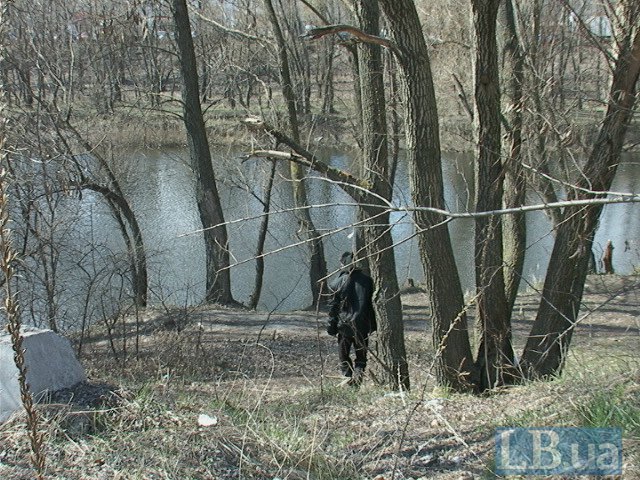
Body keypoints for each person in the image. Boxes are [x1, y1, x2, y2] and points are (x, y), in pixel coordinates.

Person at [326, 251, 376, 386]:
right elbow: (372, 305)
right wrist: (373, 325)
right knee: (361, 356)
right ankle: (357, 379)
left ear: (342, 263)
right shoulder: (368, 281)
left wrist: (331, 326)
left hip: (344, 326)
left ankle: (348, 378)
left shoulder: (335, 283)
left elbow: (333, 307)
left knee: (343, 355)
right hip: (362, 324)